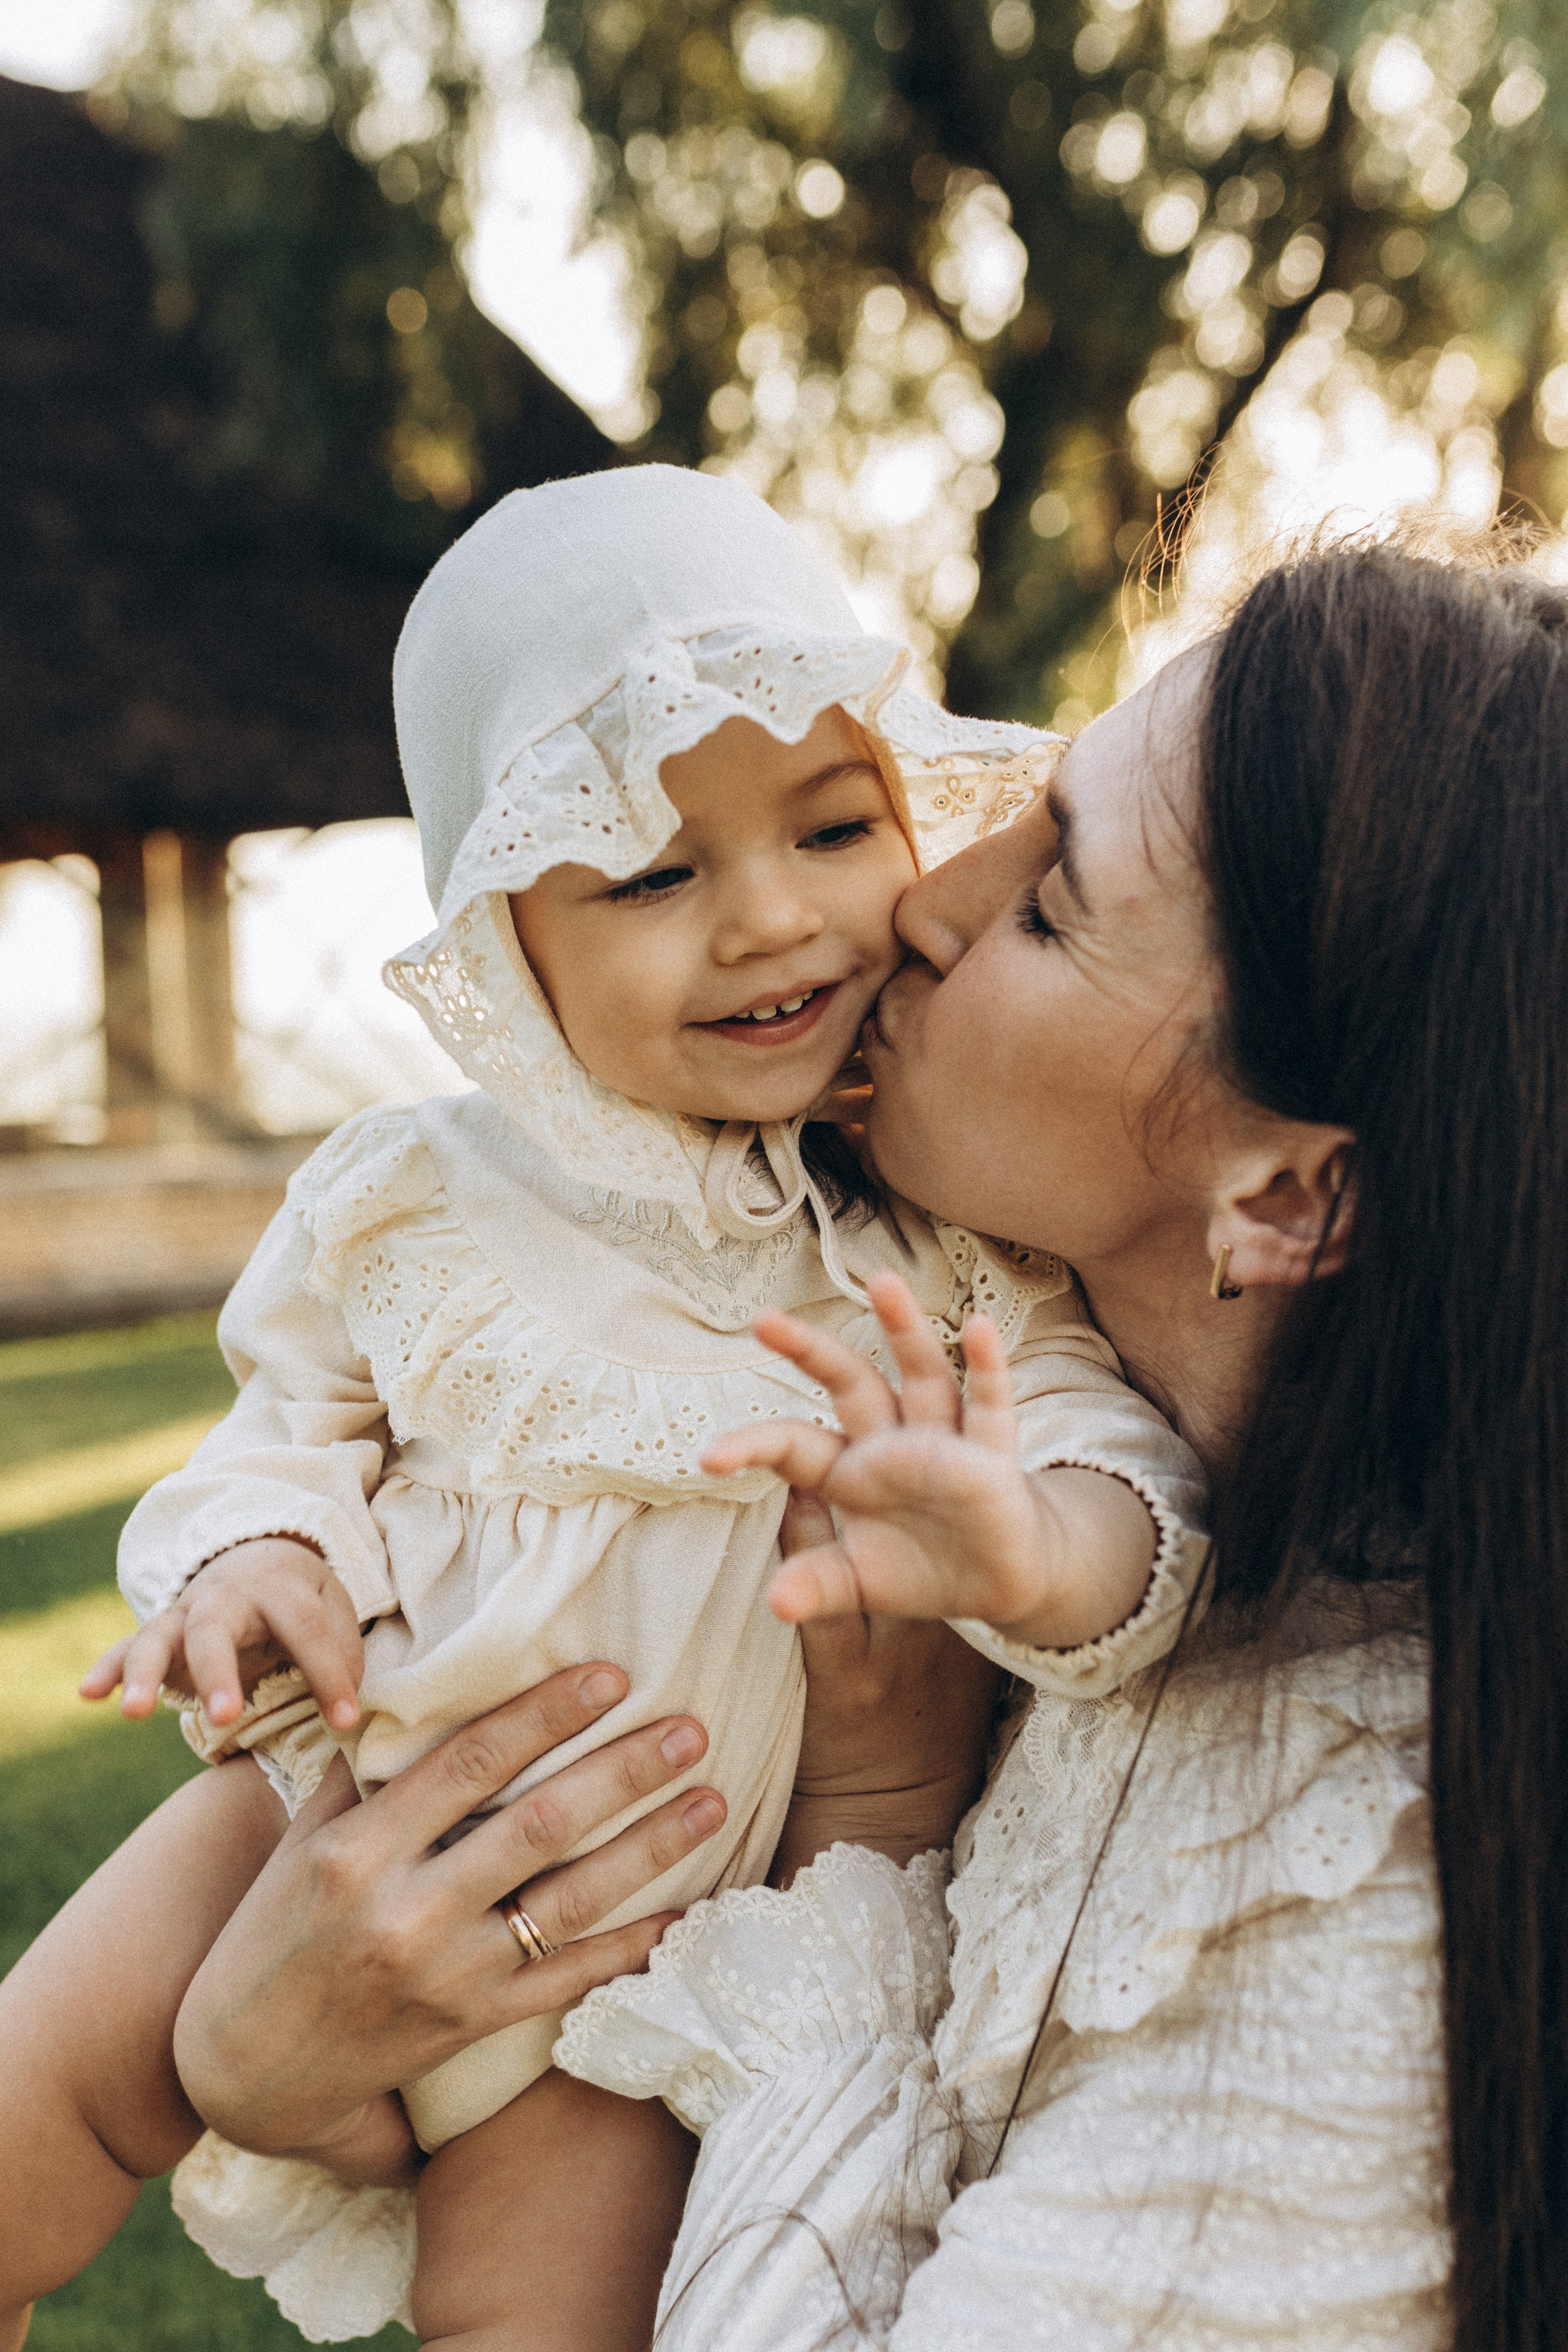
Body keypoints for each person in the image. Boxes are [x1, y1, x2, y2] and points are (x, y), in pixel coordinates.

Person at [157, 533, 1566, 2351]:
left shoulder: (1325, 1917)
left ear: (1287, 1198)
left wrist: (876, 1826)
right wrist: (279, 2077)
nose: (919, 897)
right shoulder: (891, 1347)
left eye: (1053, 901)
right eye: (1021, 809)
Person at [0, 467, 1209, 2351]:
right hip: (317, 1803)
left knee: (536, 2308)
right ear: (508, 946)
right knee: (33, 2097)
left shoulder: (943, 1227)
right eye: (651, 872)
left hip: (640, 1949)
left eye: (830, 830)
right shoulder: (419, 1193)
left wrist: (1034, 1545)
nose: (767, 921)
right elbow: (287, 1418)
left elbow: (1095, 1447)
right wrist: (254, 1558)